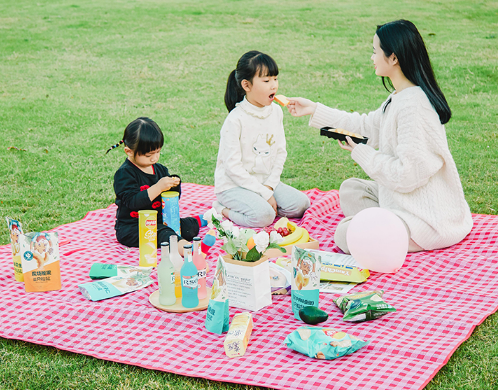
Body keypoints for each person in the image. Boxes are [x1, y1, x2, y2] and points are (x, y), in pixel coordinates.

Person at [287, 20, 473, 253]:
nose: (372, 57)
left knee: (345, 234)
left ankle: (384, 231)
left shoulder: (413, 107)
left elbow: (408, 175)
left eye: (375, 51)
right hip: (405, 202)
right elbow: (365, 126)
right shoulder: (399, 97)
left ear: (393, 58)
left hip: (427, 218)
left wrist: (363, 154)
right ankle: (381, 226)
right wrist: (314, 109)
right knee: (352, 189)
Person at [213, 50, 310, 227]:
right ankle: (221, 209)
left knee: (301, 204)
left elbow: (280, 152)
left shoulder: (276, 112)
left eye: (275, 79)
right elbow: (233, 168)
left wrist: (269, 188)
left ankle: (260, 205)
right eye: (266, 81)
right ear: (246, 85)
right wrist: (264, 194)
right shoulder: (235, 120)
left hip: (265, 183)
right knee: (263, 217)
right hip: (233, 186)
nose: (273, 85)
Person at [107, 117, 204, 256]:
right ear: (129, 151)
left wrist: (174, 185)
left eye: (158, 152)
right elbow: (132, 202)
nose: (154, 158)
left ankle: (203, 219)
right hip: (133, 227)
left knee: (188, 228)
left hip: (160, 220)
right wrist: (158, 187)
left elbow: (170, 199)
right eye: (148, 155)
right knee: (165, 234)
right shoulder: (124, 174)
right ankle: (191, 253)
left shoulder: (159, 170)